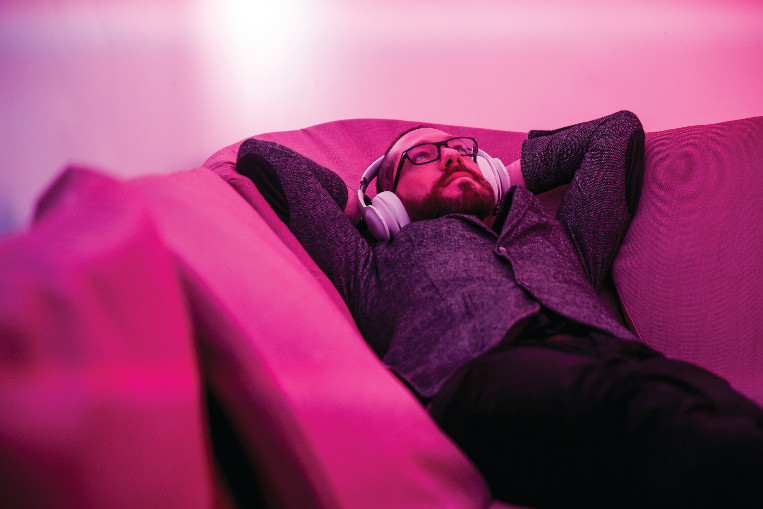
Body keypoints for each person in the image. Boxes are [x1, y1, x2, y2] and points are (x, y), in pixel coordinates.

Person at [235, 111, 763, 509]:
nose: (450, 157)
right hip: (484, 376)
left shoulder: (560, 239)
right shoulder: (369, 259)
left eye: (464, 152)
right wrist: (361, 211)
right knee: (662, 418)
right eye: (422, 156)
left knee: (716, 409)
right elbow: (264, 157)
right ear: (388, 199)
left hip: (623, 359)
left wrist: (500, 175)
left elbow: (617, 132)